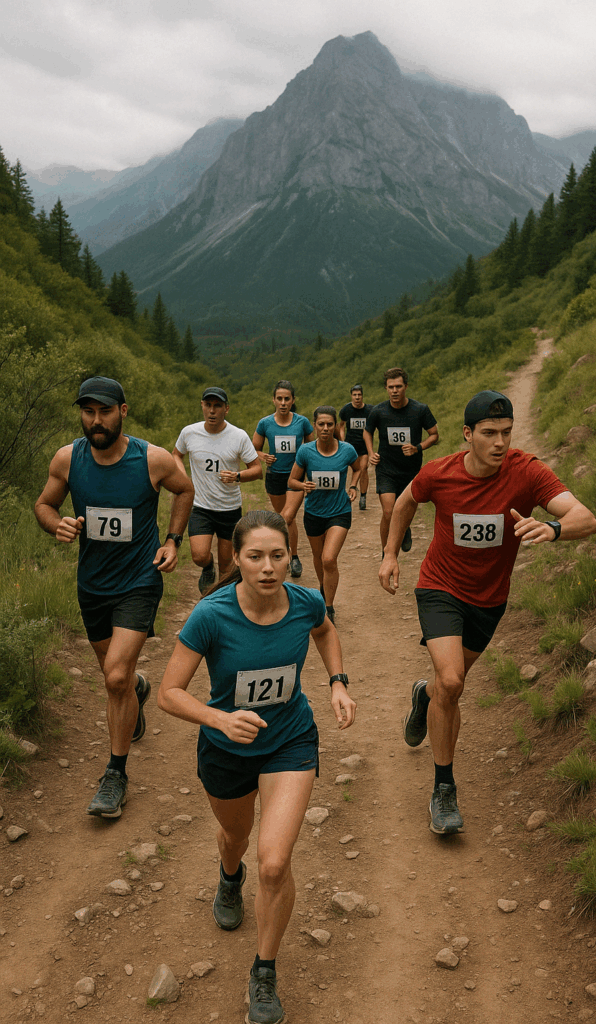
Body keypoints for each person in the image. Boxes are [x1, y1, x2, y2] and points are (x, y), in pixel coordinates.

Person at [157, 510, 356, 1024]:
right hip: (226, 748)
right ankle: (229, 875)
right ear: (237, 560)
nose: (268, 567)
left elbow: (326, 630)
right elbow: (168, 693)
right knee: (235, 838)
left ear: (290, 558)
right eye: (255, 556)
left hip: (289, 740)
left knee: (274, 863)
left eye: (277, 556)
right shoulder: (211, 614)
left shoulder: (304, 601)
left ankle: (263, 971)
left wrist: (337, 681)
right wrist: (219, 719)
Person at [379, 390, 596, 835]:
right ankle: (444, 789)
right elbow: (404, 502)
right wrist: (389, 556)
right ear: (467, 435)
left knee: (447, 686)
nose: (500, 443)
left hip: (489, 600)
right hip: (439, 587)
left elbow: (586, 518)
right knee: (453, 680)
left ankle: (425, 695)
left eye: (506, 433)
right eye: (489, 433)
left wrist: (553, 527)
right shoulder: (440, 473)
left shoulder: (528, 472)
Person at [34, 376, 194, 819]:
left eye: (105, 411)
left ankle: (116, 774)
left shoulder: (153, 459)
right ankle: (136, 690)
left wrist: (173, 540)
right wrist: (56, 524)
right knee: (116, 676)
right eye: (88, 412)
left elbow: (184, 490)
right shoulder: (68, 458)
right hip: (93, 586)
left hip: (139, 583)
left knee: (114, 677)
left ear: (123, 411)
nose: (96, 420)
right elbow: (44, 505)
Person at [173, 387, 262, 593]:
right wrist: (184, 479)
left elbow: (257, 470)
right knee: (199, 555)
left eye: (218, 406)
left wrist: (237, 475)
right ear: (202, 406)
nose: (212, 411)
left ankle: (219, 605)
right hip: (201, 507)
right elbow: (176, 454)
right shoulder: (189, 432)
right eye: (208, 405)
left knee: (227, 568)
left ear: (226, 409)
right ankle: (207, 567)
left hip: (229, 509)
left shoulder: (238, 436)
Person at [286, 406, 361, 624]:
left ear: (336, 426)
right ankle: (323, 589)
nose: (325, 428)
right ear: (315, 426)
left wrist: (354, 486)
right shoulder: (305, 451)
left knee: (329, 559)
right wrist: (303, 485)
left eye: (330, 424)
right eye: (321, 424)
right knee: (319, 559)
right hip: (314, 513)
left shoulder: (346, 450)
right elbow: (291, 481)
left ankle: (328, 607)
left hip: (340, 512)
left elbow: (358, 468)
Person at [363, 367, 439, 555]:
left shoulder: (419, 410)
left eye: (398, 386)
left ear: (406, 386)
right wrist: (371, 452)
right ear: (386, 388)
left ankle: (405, 528)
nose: (394, 391)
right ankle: (386, 552)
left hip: (410, 470)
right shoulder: (378, 411)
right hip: (386, 469)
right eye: (391, 387)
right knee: (389, 512)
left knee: (403, 511)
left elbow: (434, 435)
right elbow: (367, 431)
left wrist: (417, 447)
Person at [253, 381, 314, 579]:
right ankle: (284, 554)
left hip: (295, 478)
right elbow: (253, 449)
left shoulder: (302, 422)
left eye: (287, 398)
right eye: (279, 398)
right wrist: (263, 456)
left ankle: (292, 556)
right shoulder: (265, 423)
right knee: (282, 518)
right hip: (275, 476)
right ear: (273, 400)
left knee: (287, 517)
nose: (283, 402)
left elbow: (313, 448)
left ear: (293, 400)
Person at [339, 384, 373, 510]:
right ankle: (343, 495)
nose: (357, 397)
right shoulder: (346, 410)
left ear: (362, 396)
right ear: (351, 396)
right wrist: (342, 441)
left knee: (363, 469)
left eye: (359, 395)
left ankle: (363, 497)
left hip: (364, 446)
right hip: (350, 446)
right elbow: (341, 425)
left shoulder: (369, 410)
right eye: (355, 395)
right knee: (347, 470)